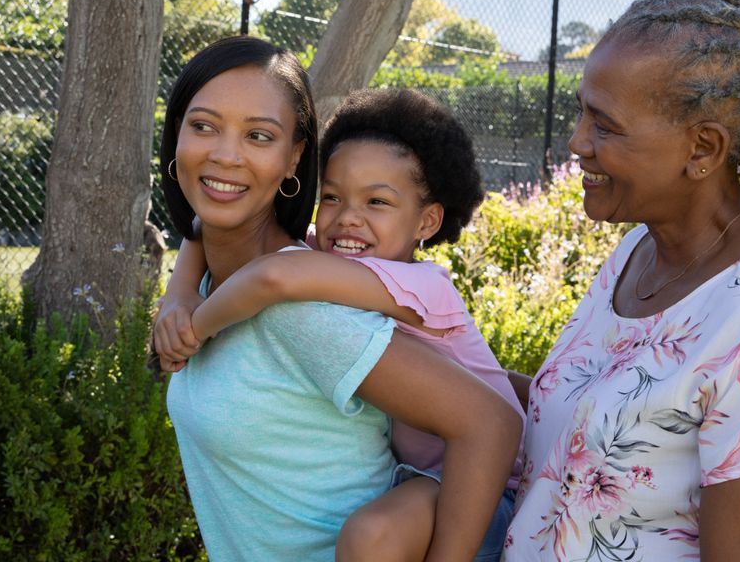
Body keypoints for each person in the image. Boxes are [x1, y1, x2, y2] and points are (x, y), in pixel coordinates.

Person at [156, 36, 522, 562]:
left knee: (372, 536)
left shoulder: (309, 305)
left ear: (294, 157)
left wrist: (192, 329)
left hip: (474, 493)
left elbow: (273, 282)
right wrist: (180, 292)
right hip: (422, 476)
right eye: (203, 125)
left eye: (259, 135)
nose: (225, 154)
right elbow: (201, 228)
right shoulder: (313, 264)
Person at [501, 0, 740, 561]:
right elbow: (590, 429)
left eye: (605, 125)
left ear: (703, 148)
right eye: (582, 111)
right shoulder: (638, 250)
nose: (577, 142)